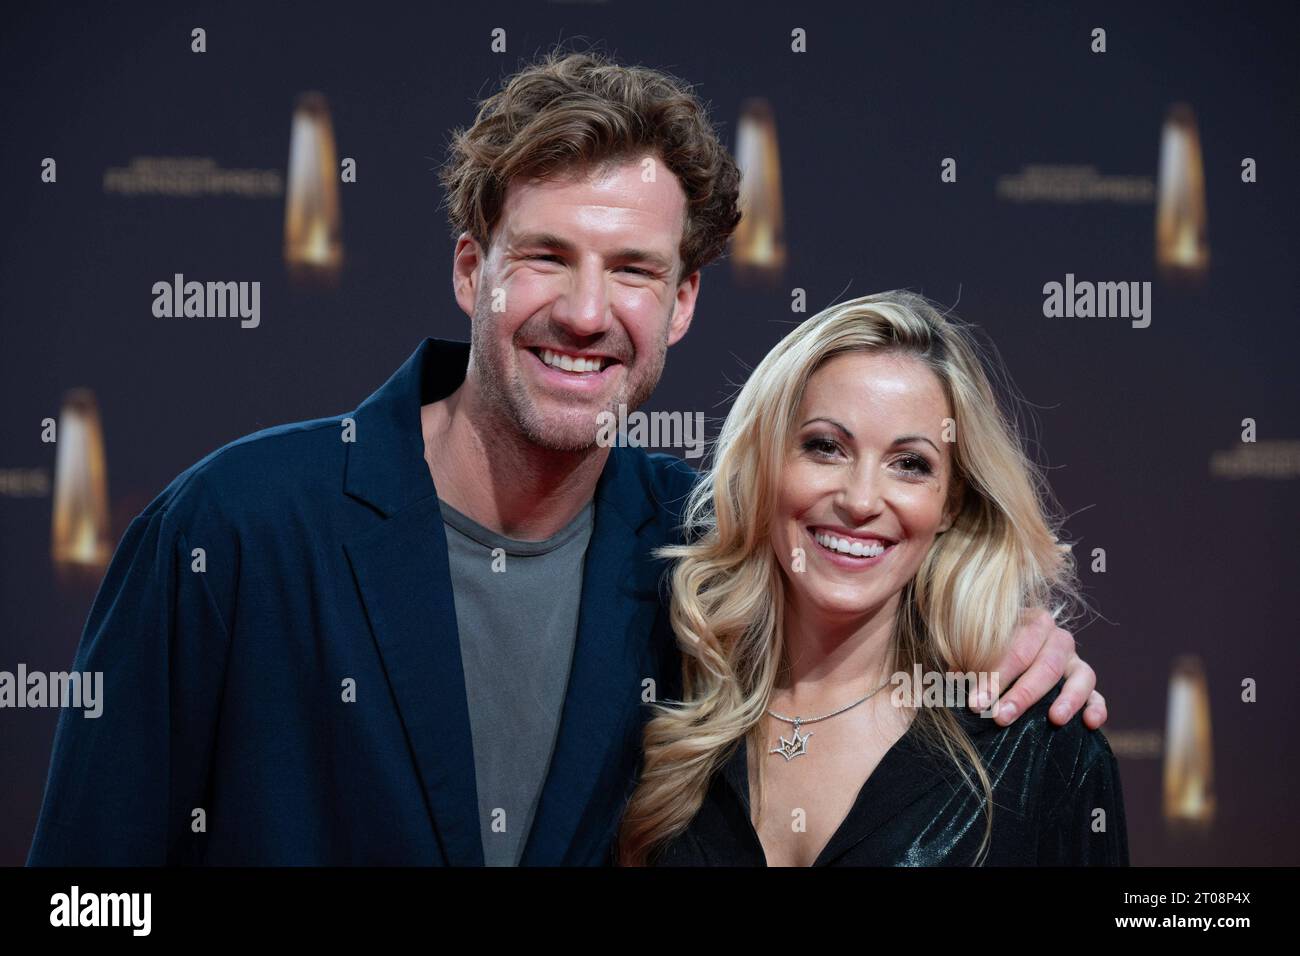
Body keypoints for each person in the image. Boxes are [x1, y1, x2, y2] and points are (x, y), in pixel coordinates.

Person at [27, 52, 1105, 868]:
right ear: (470, 268)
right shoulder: (233, 529)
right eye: (547, 256)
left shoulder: (702, 552)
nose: (588, 313)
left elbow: (862, 608)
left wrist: (1013, 640)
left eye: (634, 270)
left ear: (681, 302)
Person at [620, 292, 1127, 866]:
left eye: (910, 464)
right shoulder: (662, 688)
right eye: (825, 447)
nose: (861, 501)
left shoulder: (1037, 745)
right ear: (767, 466)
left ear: (951, 504)